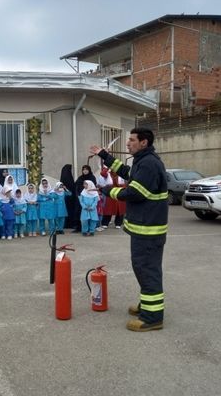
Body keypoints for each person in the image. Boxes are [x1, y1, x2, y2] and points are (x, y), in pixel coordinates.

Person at [90, 127, 168, 332]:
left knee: (147, 270)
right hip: (144, 229)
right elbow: (126, 172)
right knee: (143, 269)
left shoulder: (149, 164)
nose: (128, 143)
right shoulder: (142, 161)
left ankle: (152, 318)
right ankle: (147, 305)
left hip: (148, 231)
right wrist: (104, 155)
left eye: (132, 140)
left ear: (144, 142)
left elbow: (134, 193)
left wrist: (108, 190)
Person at [73, 165, 97, 233]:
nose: (85, 171)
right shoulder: (80, 178)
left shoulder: (92, 177)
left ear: (89, 170)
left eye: (86, 169)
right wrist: (78, 195)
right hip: (81, 197)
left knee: (90, 215)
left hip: (90, 198)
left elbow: (93, 187)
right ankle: (79, 228)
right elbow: (76, 187)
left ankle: (91, 229)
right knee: (79, 213)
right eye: (83, 169)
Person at [59, 164, 77, 229]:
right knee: (70, 211)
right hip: (70, 198)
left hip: (64, 199)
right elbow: (72, 188)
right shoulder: (69, 178)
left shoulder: (62, 179)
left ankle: (64, 224)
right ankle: (70, 224)